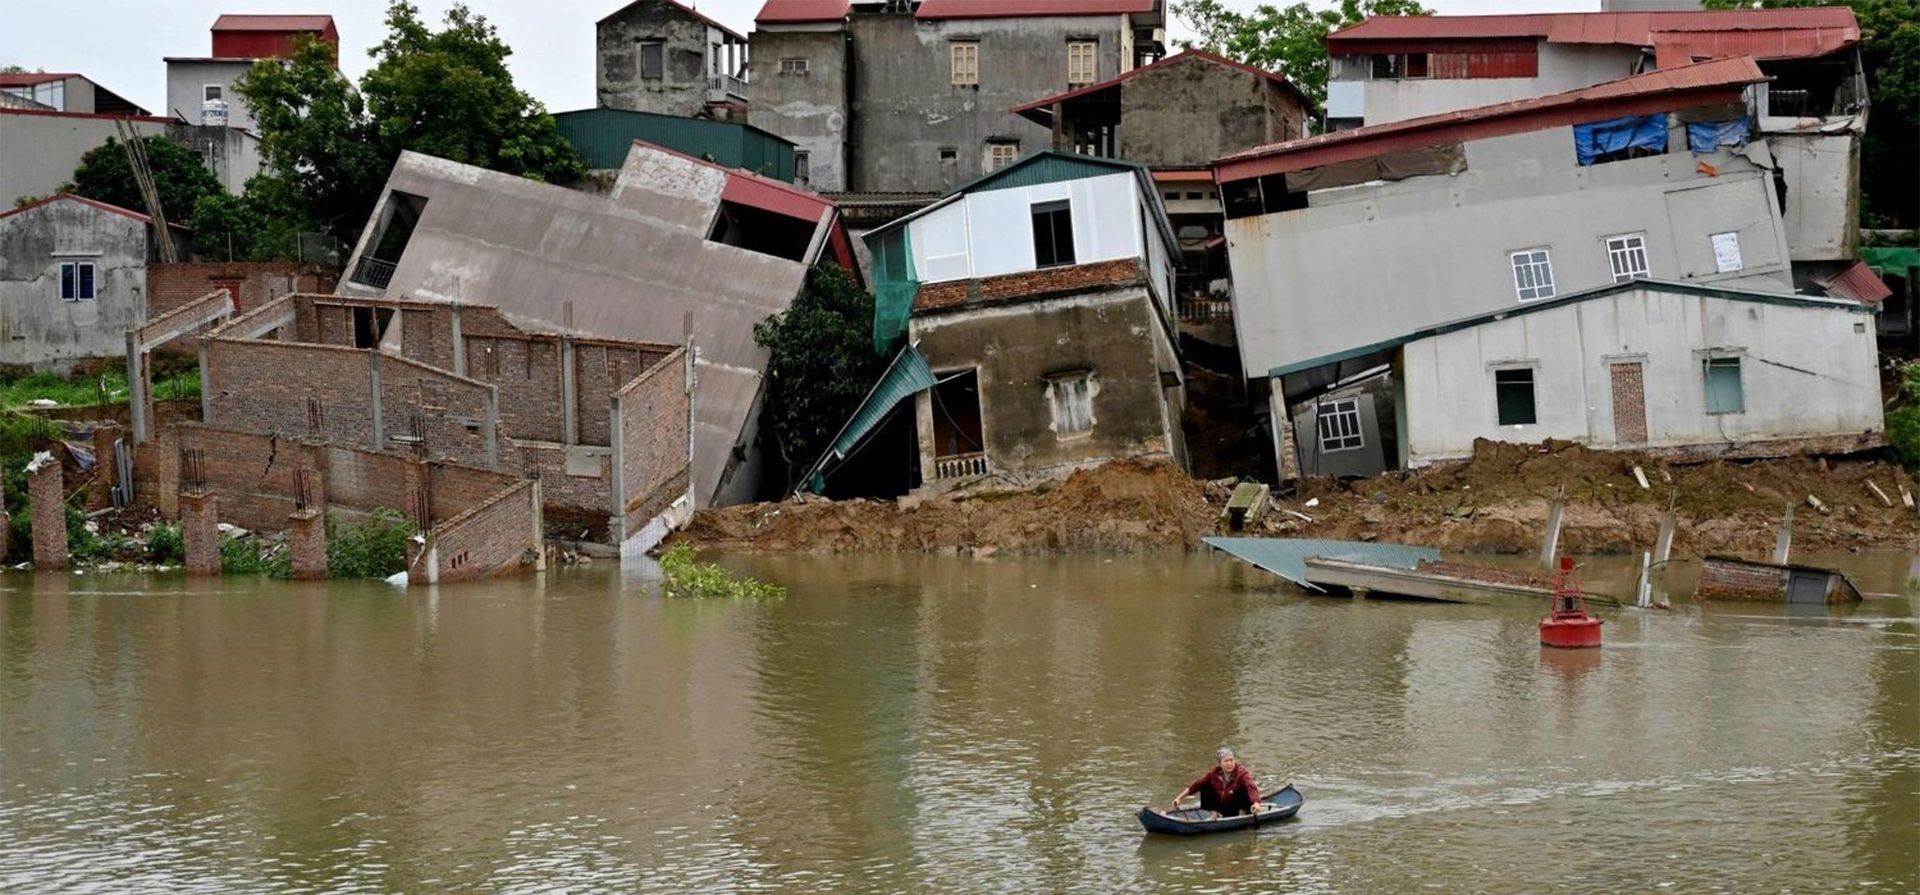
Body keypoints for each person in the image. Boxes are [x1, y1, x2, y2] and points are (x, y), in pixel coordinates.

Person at [1171, 748, 1263, 816]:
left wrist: (1256, 803)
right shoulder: (1214, 773)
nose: (1229, 763)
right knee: (1204, 785)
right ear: (1220, 763)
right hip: (1224, 806)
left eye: (1231, 760)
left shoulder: (1241, 772)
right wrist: (1179, 798)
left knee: (1244, 787)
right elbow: (1196, 785)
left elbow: (1251, 787)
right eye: (1226, 761)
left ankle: (1242, 815)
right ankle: (1214, 814)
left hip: (1238, 807)